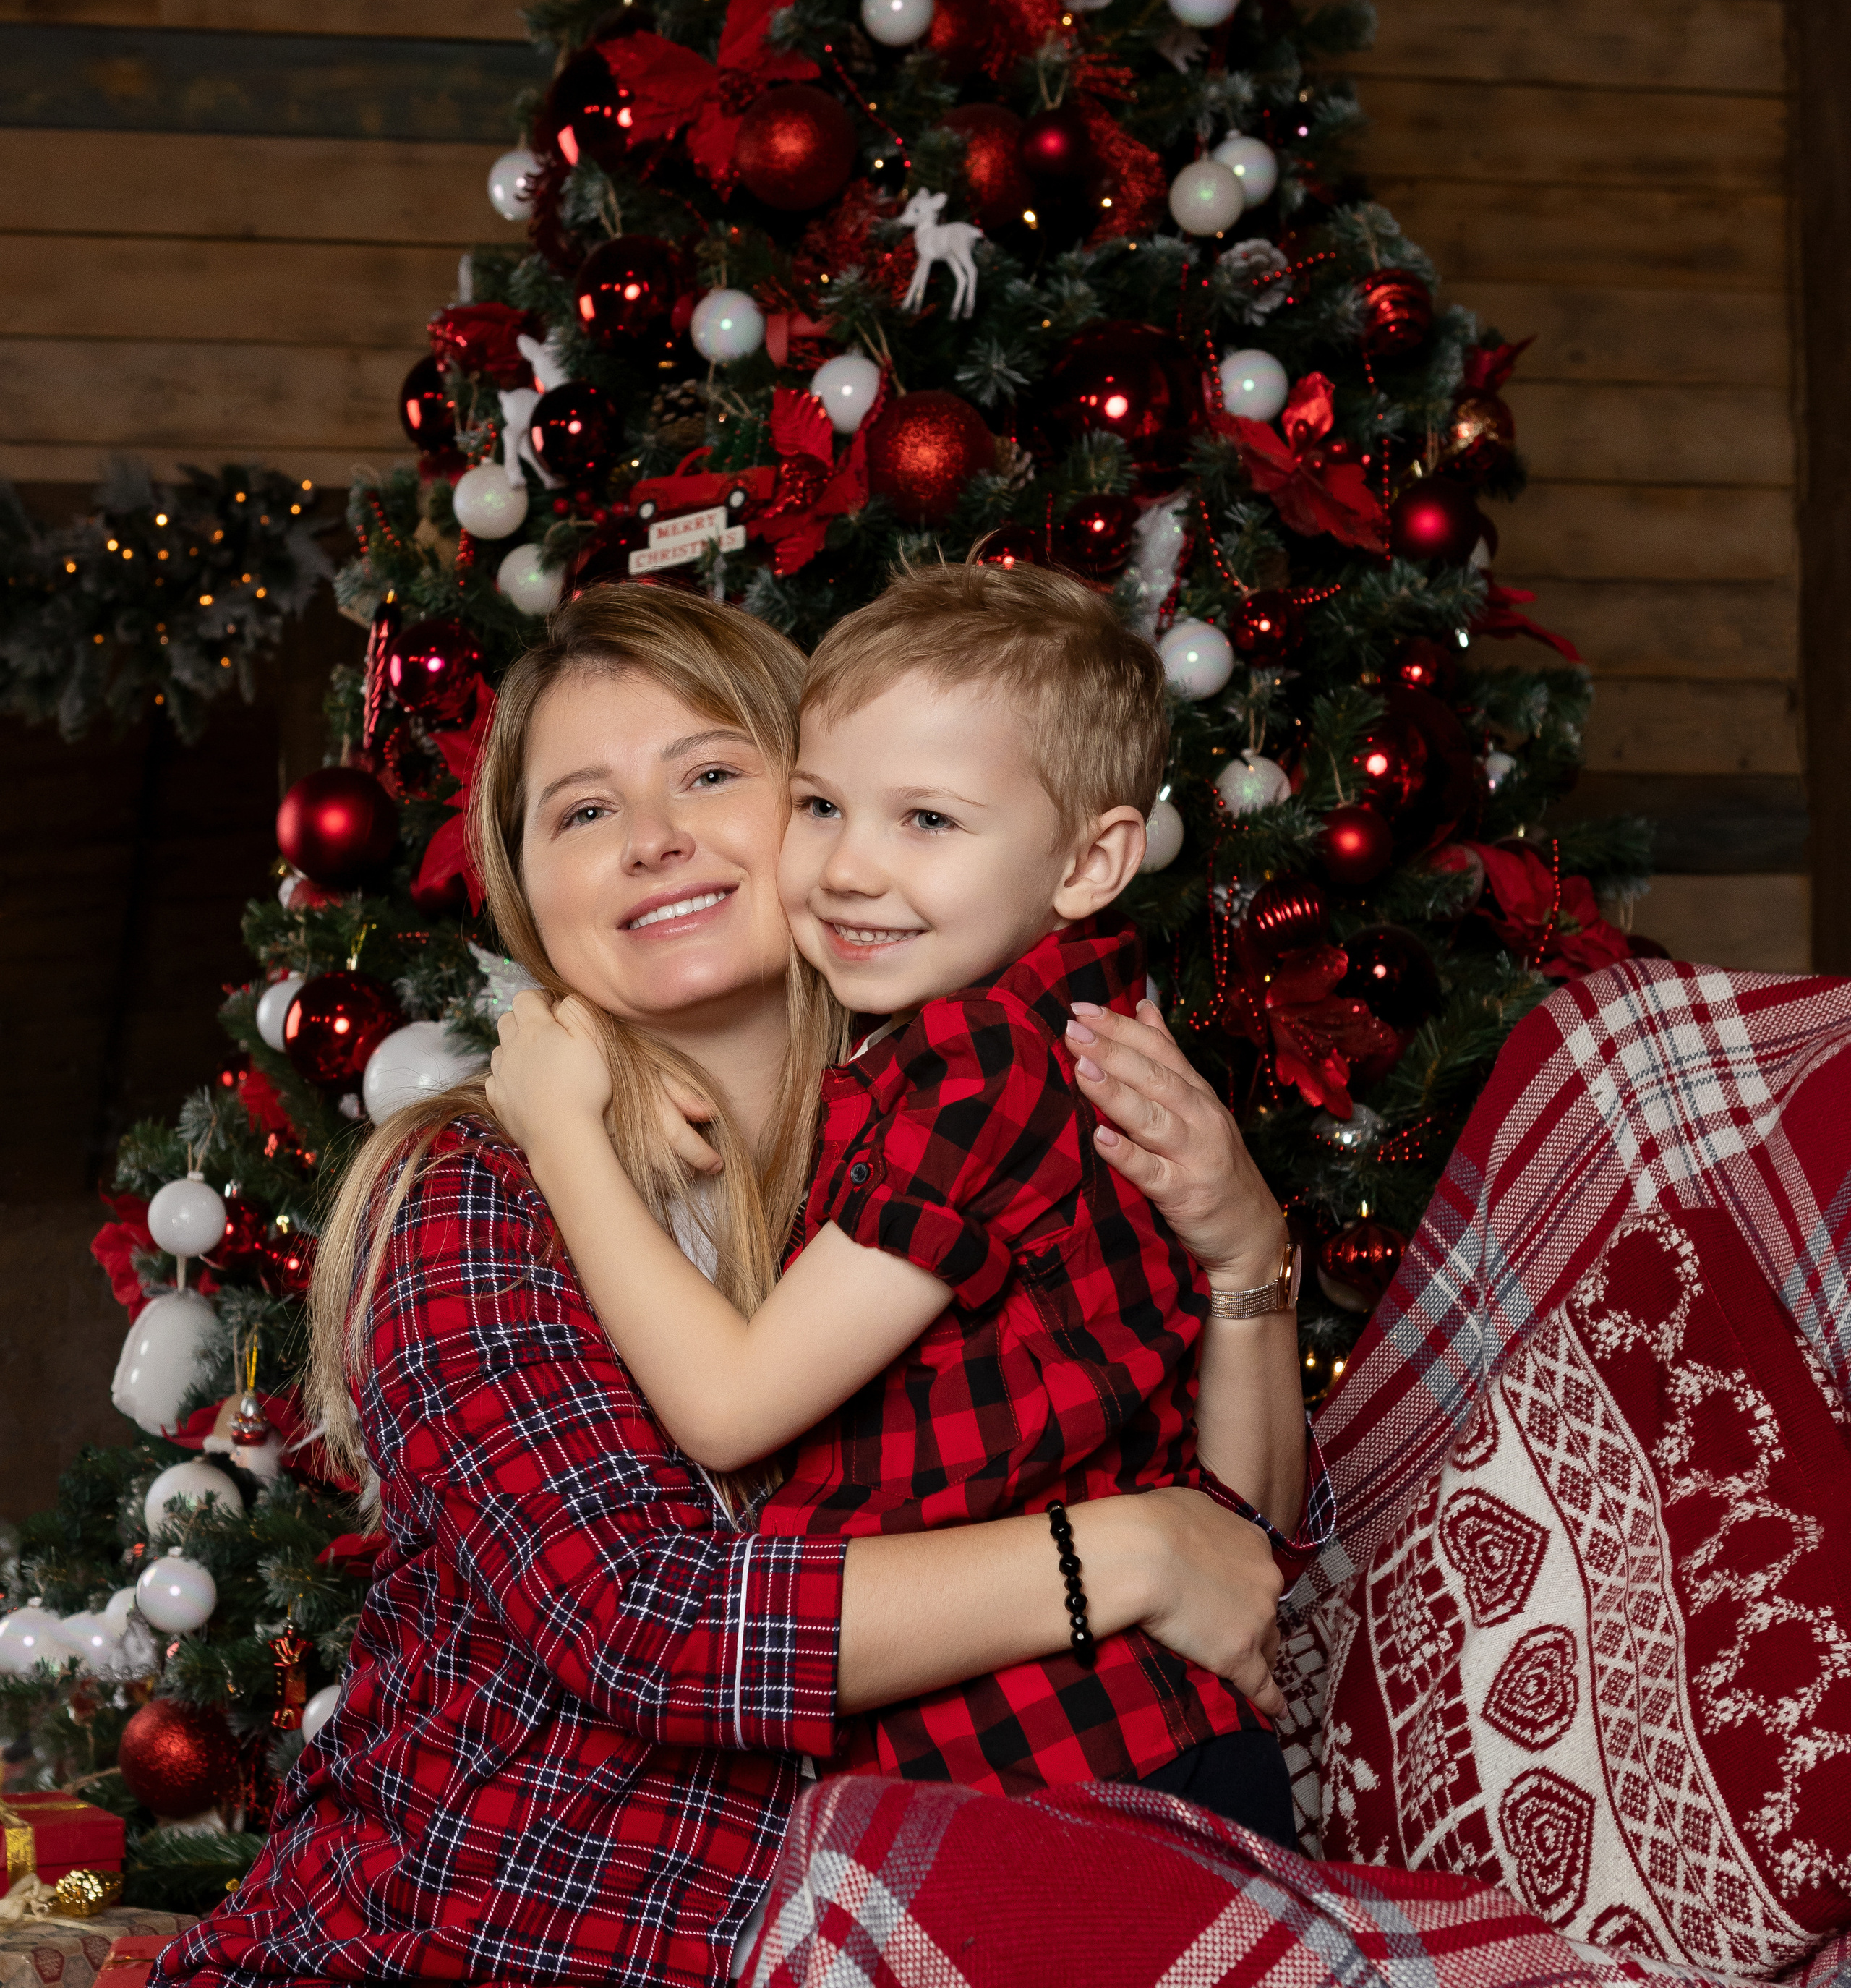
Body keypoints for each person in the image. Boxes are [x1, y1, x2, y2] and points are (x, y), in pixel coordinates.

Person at [155, 584, 1312, 1988]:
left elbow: (1233, 1561)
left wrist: (1246, 1263)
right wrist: (1124, 1557)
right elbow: (650, 1623)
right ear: (527, 890)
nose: (651, 841)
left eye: (709, 774)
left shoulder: (969, 1118)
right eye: (580, 812)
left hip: (850, 1925)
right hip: (466, 1932)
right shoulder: (474, 1193)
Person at [490, 564, 1309, 1845]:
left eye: (927, 820)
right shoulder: (979, 1052)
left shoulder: (982, 1069)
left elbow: (1237, 1552)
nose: (855, 866)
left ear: (1094, 860)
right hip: (1038, 1769)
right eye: (826, 805)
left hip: (1080, 1769)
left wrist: (559, 1127)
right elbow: (650, 1628)